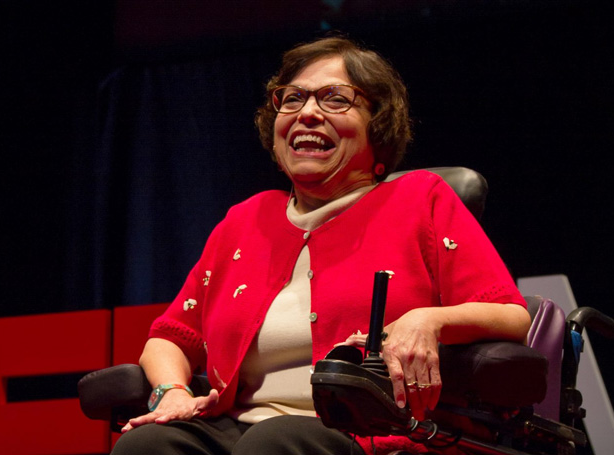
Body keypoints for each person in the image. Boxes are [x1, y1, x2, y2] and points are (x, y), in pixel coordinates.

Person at [110, 36, 531, 455]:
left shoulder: (420, 199)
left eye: (335, 99)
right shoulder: (244, 221)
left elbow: (510, 315)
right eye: (292, 99)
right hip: (238, 428)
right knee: (147, 445)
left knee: (275, 441)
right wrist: (171, 391)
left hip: (373, 431)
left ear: (377, 124)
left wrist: (425, 320)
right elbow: (172, 337)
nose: (307, 113)